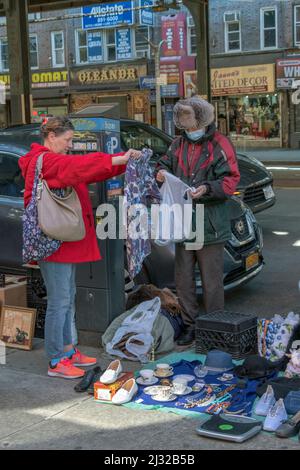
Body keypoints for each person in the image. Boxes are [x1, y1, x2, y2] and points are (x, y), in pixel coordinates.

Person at [19, 116, 142, 379]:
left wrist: (121, 162)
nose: (70, 145)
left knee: (67, 297)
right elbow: (78, 166)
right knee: (59, 301)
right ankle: (56, 360)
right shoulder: (47, 161)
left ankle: (67, 349)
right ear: (51, 136)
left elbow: (87, 169)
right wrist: (118, 159)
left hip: (60, 239)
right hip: (54, 243)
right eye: (67, 140)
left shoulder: (50, 159)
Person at [155, 96, 240, 346]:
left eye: (192, 125)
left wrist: (206, 189)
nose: (189, 130)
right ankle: (191, 326)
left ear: (202, 119)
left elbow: (231, 179)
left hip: (209, 224)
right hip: (183, 224)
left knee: (212, 283)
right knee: (183, 281)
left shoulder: (220, 144)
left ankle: (215, 328)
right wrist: (160, 174)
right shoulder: (177, 144)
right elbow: (163, 164)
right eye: (184, 126)